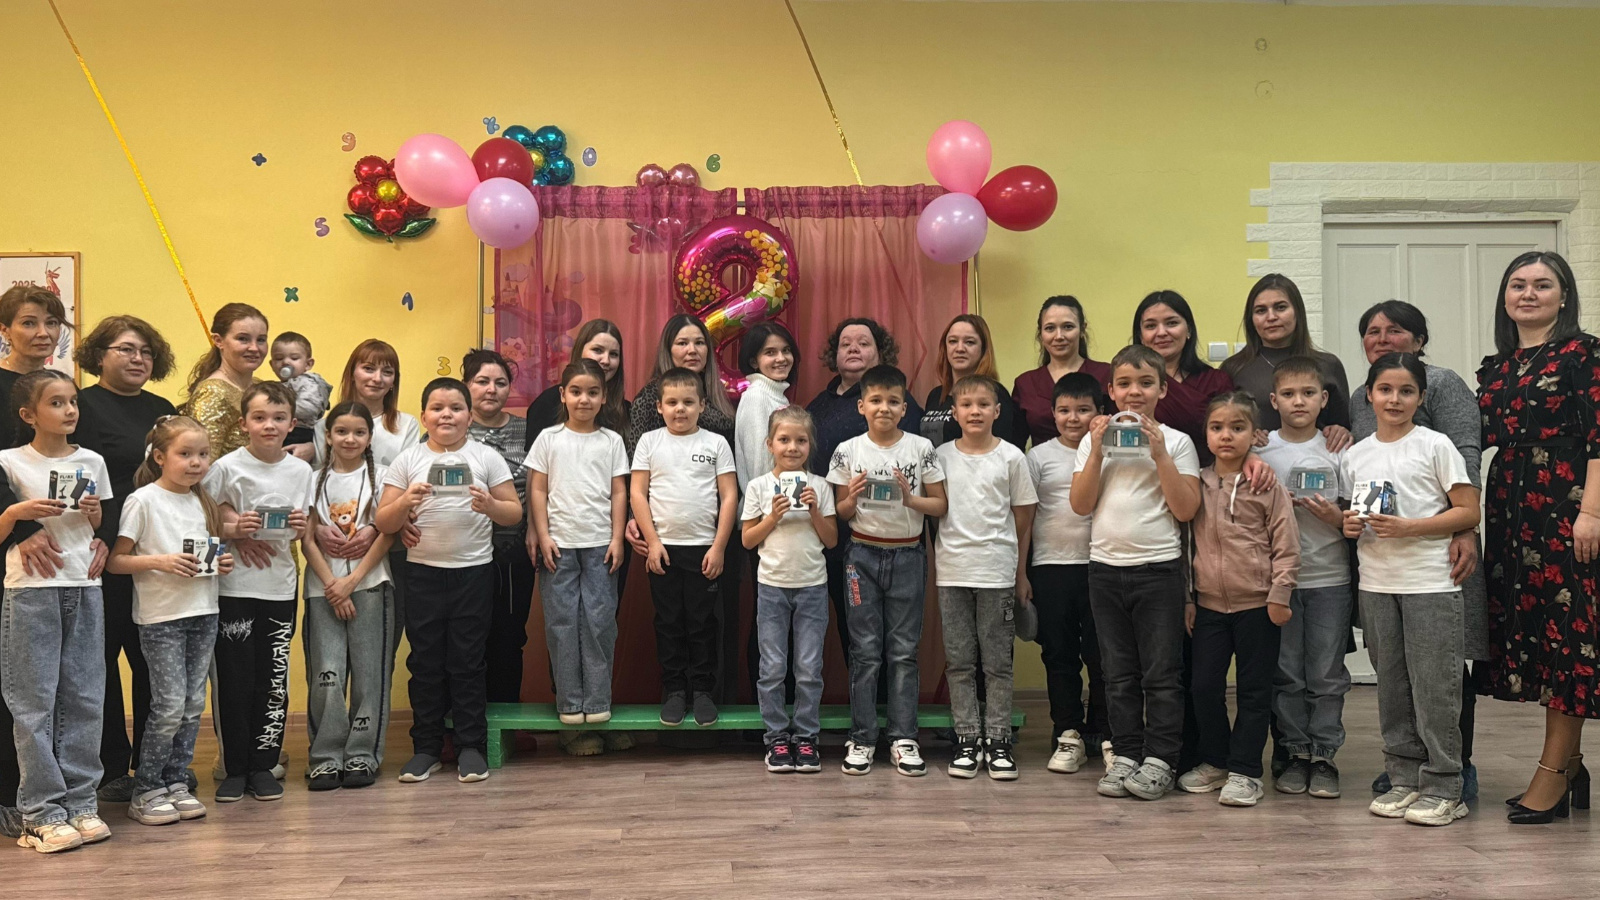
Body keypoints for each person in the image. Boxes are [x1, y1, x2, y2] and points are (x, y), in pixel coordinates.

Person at [1476, 250, 1600, 824]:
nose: (1528, 294)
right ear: (1505, 297)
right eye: (1518, 285)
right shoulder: (1498, 367)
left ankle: (1552, 774)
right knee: (1536, 634)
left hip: (1567, 507)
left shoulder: (1583, 353)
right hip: (1510, 510)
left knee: (1568, 634)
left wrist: (1591, 513)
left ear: (1564, 296)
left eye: (1542, 285)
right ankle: (1571, 764)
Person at [1351, 300, 1487, 801]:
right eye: (1372, 331)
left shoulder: (1442, 399)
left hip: (1432, 565)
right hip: (1379, 574)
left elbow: (1465, 469)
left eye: (1395, 330)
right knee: (1394, 682)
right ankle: (1404, 775)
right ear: (1371, 395)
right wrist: (1344, 519)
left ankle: (1450, 776)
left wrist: (1461, 529)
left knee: (1439, 677)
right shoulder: (1358, 428)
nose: (1382, 338)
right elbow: (1360, 490)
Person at [1071, 344, 1201, 801]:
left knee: (1162, 674)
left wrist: (1160, 453)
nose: (1134, 392)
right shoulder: (1093, 441)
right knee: (1116, 674)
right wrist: (1096, 450)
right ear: (1110, 390)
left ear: (1163, 389)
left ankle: (1161, 759)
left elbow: (1186, 509)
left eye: (1146, 383)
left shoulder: (1178, 441)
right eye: (1124, 383)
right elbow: (1081, 505)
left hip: (1159, 570)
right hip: (1105, 570)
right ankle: (1125, 754)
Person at [378, 378, 521, 785]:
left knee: (468, 661)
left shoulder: (486, 456)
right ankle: (426, 748)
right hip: (422, 573)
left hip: (473, 572)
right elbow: (383, 521)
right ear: (424, 416)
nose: (447, 415)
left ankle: (470, 746)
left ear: (469, 416)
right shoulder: (408, 459)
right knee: (425, 662)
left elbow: (513, 512)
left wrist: (489, 504)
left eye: (456, 408)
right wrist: (405, 502)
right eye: (437, 408)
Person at [66, 317, 177, 806]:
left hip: (155, 553)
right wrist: (101, 538)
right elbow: (78, 479)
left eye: (146, 351)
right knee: (102, 662)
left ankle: (155, 765)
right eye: (126, 349)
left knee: (154, 660)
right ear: (99, 355)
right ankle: (111, 767)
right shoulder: (81, 405)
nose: (138, 359)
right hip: (100, 551)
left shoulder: (163, 411)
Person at [0, 371, 113, 852]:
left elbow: (99, 525)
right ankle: (40, 812)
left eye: (73, 402)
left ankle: (82, 802)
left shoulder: (92, 460)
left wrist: (94, 513)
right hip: (30, 591)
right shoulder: (8, 462)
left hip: (84, 585)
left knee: (85, 697)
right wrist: (16, 514)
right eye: (56, 403)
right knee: (33, 703)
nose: (69, 411)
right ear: (29, 415)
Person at [107, 415, 234, 827]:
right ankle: (146, 788)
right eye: (185, 454)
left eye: (203, 454)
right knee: (168, 705)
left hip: (204, 612)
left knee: (193, 705)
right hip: (161, 618)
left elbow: (209, 554)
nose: (196, 462)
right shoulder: (143, 500)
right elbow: (116, 560)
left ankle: (176, 780)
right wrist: (161, 561)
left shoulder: (203, 501)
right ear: (160, 457)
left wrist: (222, 563)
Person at [1179, 391, 1299, 808]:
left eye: (1237, 427)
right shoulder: (1195, 482)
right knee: (1203, 687)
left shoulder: (1266, 483)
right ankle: (1216, 760)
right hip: (1208, 607)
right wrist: (1188, 598)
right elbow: (1185, 545)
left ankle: (1246, 770)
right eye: (1217, 428)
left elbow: (1286, 543)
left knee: (1254, 691)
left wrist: (1279, 593)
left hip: (1258, 607)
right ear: (1206, 434)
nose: (1226, 435)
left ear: (1254, 433)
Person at [827, 365, 946, 777]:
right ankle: (862, 737)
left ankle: (903, 737)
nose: (884, 408)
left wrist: (911, 499)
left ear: (904, 407)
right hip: (861, 557)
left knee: (903, 651)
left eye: (893, 401)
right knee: (864, 651)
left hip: (908, 556)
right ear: (861, 406)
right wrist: (851, 497)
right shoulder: (847, 450)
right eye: (876, 400)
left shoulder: (920, 448)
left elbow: (940, 505)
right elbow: (841, 512)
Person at [203, 382, 313, 803]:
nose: (269, 425)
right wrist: (235, 529)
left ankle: (263, 765)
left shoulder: (301, 471)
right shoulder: (226, 467)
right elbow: (203, 516)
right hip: (234, 588)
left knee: (273, 679)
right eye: (260, 417)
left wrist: (301, 528)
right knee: (234, 680)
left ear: (292, 424)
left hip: (279, 587)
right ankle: (234, 767)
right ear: (243, 422)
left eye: (279, 418)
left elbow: (303, 528)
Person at [626, 316, 740, 704]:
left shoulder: (717, 417)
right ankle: (675, 691)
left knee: (706, 622)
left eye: (699, 342)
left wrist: (720, 545)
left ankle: (706, 694)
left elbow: (729, 493)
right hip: (663, 543)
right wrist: (647, 534)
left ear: (701, 405)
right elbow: (638, 487)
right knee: (670, 621)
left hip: (708, 541)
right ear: (660, 406)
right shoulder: (650, 414)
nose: (692, 349)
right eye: (682, 342)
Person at [1258, 357, 1353, 800]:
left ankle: (1324, 756)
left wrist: (1333, 516)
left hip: (1329, 578)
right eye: (1289, 394)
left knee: (1326, 674)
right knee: (1287, 673)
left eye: (1309, 393)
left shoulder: (1340, 450)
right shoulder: (1260, 451)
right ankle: (1295, 751)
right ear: (1274, 400)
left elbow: (1356, 517)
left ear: (1324, 399)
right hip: (1279, 582)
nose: (1299, 402)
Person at [936, 375, 1037, 780]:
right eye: (966, 405)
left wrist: (1019, 573)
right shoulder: (940, 456)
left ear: (997, 411)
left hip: (997, 573)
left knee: (997, 663)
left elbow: (1023, 517)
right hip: (952, 573)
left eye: (983, 404)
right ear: (954, 412)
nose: (975, 411)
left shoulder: (1012, 457)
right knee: (959, 662)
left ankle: (998, 740)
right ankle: (966, 738)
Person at [808, 318, 925, 662]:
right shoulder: (818, 405)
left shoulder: (899, 403)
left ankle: (892, 697)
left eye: (863, 343)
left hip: (889, 541)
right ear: (835, 354)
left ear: (879, 352)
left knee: (893, 639)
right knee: (856, 636)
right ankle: (863, 698)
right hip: (833, 536)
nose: (854, 349)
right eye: (846, 344)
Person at [0, 284, 72, 838]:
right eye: (29, 322)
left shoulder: (61, 390)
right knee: (12, 681)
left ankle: (52, 792)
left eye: (52, 323)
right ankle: (11, 795)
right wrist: (19, 531)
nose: (43, 333)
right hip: (11, 542)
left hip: (55, 557)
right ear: (5, 330)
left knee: (50, 684)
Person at [315, 340, 422, 702]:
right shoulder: (323, 424)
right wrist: (318, 528)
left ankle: (368, 725)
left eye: (387, 371)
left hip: (388, 549)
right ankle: (332, 727)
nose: (377, 378)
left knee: (376, 652)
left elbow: (406, 486)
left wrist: (377, 528)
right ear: (353, 372)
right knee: (331, 655)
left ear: (394, 381)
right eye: (368, 368)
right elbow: (316, 484)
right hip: (335, 551)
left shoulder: (406, 425)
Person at [526, 360, 629, 727]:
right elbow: (538, 489)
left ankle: (598, 699)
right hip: (559, 546)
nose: (584, 399)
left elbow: (620, 492)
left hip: (601, 545)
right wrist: (542, 534)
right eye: (576, 392)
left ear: (604, 397)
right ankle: (569, 702)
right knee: (561, 623)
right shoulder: (549, 439)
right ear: (563, 395)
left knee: (600, 622)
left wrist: (617, 538)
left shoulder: (612, 441)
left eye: (592, 392)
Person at [299, 403, 395, 790]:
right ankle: (325, 757)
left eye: (359, 432)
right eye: (341, 431)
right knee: (327, 674)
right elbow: (307, 538)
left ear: (370, 438)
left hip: (369, 586)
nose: (350, 439)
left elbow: (386, 534)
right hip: (322, 590)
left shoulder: (383, 477)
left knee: (370, 676)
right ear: (328, 435)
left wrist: (351, 581)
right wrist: (333, 587)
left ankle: (362, 754)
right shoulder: (311, 479)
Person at [741, 406, 837, 774]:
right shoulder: (758, 487)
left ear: (810, 445)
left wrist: (814, 510)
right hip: (772, 587)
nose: (792, 447)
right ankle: (777, 738)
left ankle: (807, 737)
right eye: (784, 440)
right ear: (770, 444)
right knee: (773, 667)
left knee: (809, 668)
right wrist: (773, 516)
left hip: (812, 586)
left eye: (800, 440)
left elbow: (831, 540)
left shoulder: (821, 486)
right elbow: (748, 540)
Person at [1028, 372, 1111, 774]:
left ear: (1100, 412)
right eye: (1064, 410)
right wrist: (1022, 574)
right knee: (1059, 654)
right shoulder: (1038, 457)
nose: (1073, 418)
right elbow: (1024, 518)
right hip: (1050, 567)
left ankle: (1105, 731)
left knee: (1102, 656)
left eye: (1083, 410)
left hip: (1102, 566)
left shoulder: (1113, 451)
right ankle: (1068, 732)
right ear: (1052, 413)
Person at [462, 349, 533, 708]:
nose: (492, 389)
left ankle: (505, 722)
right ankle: (464, 722)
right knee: (466, 638)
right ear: (466, 386)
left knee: (509, 636)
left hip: (513, 550)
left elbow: (541, 486)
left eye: (500, 382)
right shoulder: (449, 428)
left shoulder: (529, 429)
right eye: (482, 381)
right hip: (460, 552)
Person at [1222, 274, 1352, 441]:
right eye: (1261, 310)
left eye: (1280, 307)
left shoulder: (1328, 365)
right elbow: (1221, 426)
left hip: (1316, 456)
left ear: (1297, 312)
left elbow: (1344, 425)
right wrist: (1245, 433)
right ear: (1251, 319)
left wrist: (1340, 432)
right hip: (1255, 456)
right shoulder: (1234, 368)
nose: (1271, 317)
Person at [1133, 291, 1234, 465]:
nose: (1161, 332)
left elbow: (1233, 432)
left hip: (1204, 474)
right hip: (1141, 472)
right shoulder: (1127, 384)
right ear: (1141, 336)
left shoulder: (1215, 381)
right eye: (1150, 326)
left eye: (1172, 323)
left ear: (1189, 330)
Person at [1013, 296, 1112, 449]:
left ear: (1082, 329)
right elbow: (1015, 442)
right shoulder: (1025, 383)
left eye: (1068, 327)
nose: (1059, 336)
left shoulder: (1106, 374)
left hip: (1099, 461)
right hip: (1043, 464)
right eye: (1050, 328)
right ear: (1041, 334)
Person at [522, 319, 630, 449]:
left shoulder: (626, 410)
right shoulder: (547, 403)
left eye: (613, 354)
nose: (606, 360)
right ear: (579, 351)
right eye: (597, 350)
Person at [923, 314, 1026, 450]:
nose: (960, 348)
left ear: (983, 349)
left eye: (969, 342)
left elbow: (1001, 451)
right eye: (953, 341)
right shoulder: (935, 395)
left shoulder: (995, 393)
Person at [182, 303, 268, 461]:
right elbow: (203, 464)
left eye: (261, 340)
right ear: (218, 341)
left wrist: (310, 447)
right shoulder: (213, 393)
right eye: (243, 339)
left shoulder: (259, 387)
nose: (254, 348)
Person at [734, 323, 797, 493]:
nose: (781, 358)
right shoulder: (757, 396)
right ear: (754, 361)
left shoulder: (778, 396)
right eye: (770, 352)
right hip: (765, 505)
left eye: (786, 350)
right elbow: (759, 467)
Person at [269, 331, 330, 456]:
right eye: (279, 358)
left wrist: (277, 409)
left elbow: (309, 409)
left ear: (308, 364)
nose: (286, 362)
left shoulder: (308, 383)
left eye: (294, 358)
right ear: (272, 364)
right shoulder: (276, 386)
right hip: (282, 429)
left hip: (300, 432)